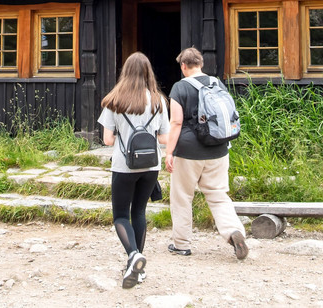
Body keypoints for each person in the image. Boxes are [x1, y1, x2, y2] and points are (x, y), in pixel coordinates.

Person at [164, 47, 249, 259]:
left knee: (182, 197)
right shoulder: (216, 83)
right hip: (218, 149)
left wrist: (169, 152)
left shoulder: (179, 87)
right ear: (201, 64)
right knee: (218, 195)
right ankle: (233, 231)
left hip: (188, 152)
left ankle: (181, 244)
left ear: (183, 66)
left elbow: (175, 122)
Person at [99, 51, 170, 289]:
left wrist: (124, 132)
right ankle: (138, 270)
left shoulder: (115, 100)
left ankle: (133, 256)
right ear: (148, 72)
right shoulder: (159, 100)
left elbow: (107, 140)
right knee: (139, 211)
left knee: (121, 215)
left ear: (125, 72)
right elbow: (164, 137)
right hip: (151, 165)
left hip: (123, 165)